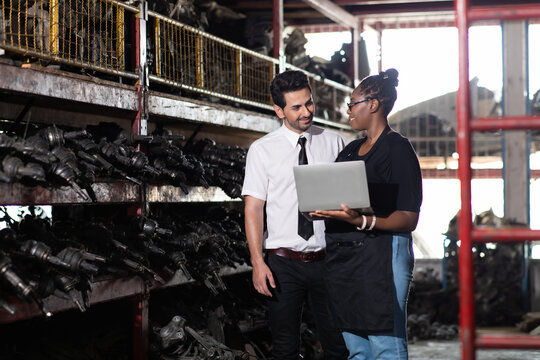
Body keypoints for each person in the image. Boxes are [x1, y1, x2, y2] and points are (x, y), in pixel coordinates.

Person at [311, 68, 422, 360]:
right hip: (345, 259)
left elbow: (409, 217)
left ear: (373, 105)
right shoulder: (349, 151)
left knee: (385, 341)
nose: (348, 111)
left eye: (352, 104)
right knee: (356, 345)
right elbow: (336, 199)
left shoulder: (398, 150)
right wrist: (321, 208)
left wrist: (362, 221)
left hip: (382, 255)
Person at [242, 70, 348, 360]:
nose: (306, 112)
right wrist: (257, 262)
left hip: (328, 260)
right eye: (296, 107)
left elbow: (349, 199)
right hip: (283, 264)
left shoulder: (334, 142)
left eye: (309, 103)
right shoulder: (262, 150)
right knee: (286, 347)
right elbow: (253, 208)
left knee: (338, 346)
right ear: (278, 110)